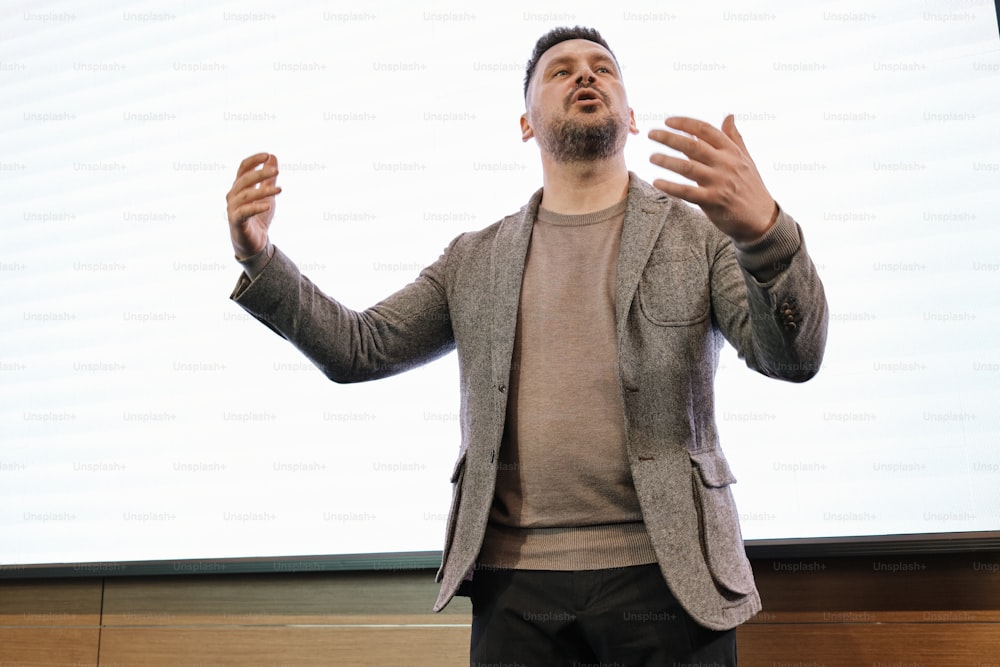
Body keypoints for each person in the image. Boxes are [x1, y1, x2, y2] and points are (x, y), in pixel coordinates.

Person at [225, 25, 827, 667]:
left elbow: (792, 359)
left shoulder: (700, 235)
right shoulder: (474, 259)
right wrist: (259, 256)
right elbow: (359, 348)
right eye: (561, 71)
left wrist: (766, 235)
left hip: (667, 576)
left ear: (631, 115)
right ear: (525, 124)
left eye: (603, 68)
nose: (586, 76)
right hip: (516, 589)